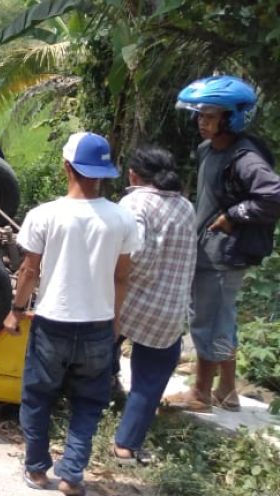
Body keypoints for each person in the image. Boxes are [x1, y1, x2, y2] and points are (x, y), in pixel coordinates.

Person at [4, 132, 138, 495]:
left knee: (37, 398)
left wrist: (16, 311)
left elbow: (29, 271)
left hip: (52, 324)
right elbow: (121, 278)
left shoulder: (44, 215)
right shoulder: (122, 220)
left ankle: (35, 471)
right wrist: (115, 324)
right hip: (97, 326)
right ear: (104, 172)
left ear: (66, 167)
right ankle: (71, 475)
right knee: (88, 402)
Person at [165, 75, 280, 411]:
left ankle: (200, 392)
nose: (202, 122)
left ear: (232, 118)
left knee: (207, 319)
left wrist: (234, 215)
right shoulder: (208, 150)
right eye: (200, 115)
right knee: (221, 318)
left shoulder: (244, 157)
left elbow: (273, 195)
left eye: (211, 116)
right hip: (209, 248)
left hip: (223, 254)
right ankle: (227, 391)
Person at [111, 146, 196, 465]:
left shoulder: (134, 202)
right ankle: (126, 447)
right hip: (169, 309)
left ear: (133, 175)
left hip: (128, 300)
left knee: (99, 353)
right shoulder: (186, 206)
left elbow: (133, 254)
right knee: (150, 377)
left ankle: (82, 415)